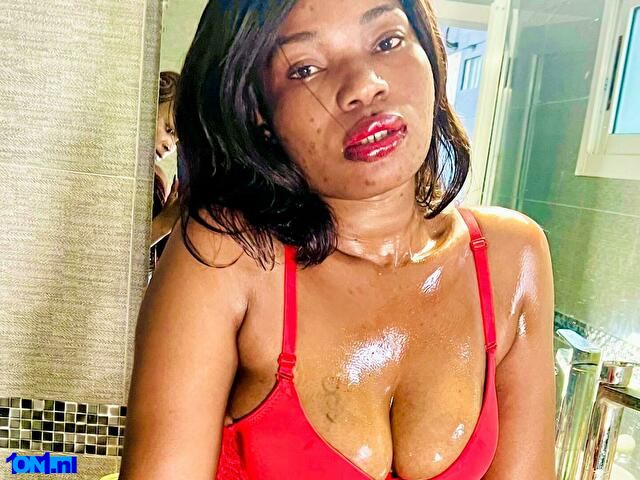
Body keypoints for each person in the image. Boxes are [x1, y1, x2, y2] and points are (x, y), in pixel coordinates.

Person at [120, 1, 556, 479]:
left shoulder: (511, 258)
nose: (364, 84)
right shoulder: (229, 256)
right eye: (305, 68)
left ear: (430, 53)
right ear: (259, 110)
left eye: (388, 41)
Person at [149, 71, 181, 276]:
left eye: (177, 141)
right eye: (168, 129)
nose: (170, 146)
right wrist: (164, 222)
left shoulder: (159, 180)